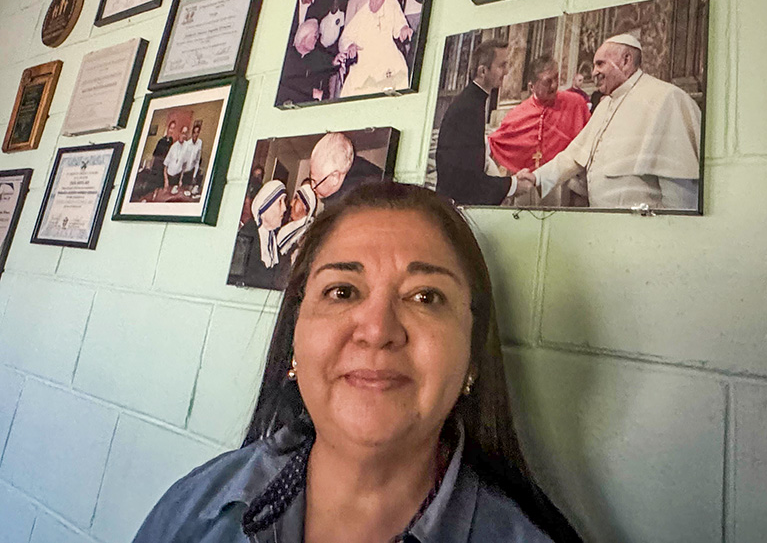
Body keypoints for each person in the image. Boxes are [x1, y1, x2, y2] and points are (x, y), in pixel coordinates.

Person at [133, 182, 582, 543]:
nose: (377, 329)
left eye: (425, 297)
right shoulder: (196, 508)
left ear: (472, 358)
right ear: (294, 341)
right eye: (342, 291)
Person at [519, 33, 701, 210]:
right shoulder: (606, 104)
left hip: (644, 230)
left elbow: (681, 192)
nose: (594, 72)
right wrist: (537, 178)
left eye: (600, 64)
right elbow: (573, 156)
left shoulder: (666, 98)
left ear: (626, 60)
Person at [435, 40, 531, 205]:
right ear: (483, 71)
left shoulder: (472, 102)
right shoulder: (468, 109)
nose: (507, 71)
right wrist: (513, 185)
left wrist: (511, 180)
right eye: (501, 66)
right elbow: (465, 183)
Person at [487, 55, 590, 173]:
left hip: (566, 182)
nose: (554, 85)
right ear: (532, 86)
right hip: (529, 182)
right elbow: (495, 144)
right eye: (548, 82)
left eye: (556, 78)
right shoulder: (516, 115)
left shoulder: (576, 104)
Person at [338, 0, 412, 98]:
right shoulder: (363, 13)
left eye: (377, 1)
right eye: (371, 0)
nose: (372, 5)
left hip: (387, 55)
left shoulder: (391, 3)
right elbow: (345, 37)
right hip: (366, 59)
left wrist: (404, 28)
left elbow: (400, 22)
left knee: (400, 74)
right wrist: (350, 45)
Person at [234, 180, 289, 289]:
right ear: (264, 208)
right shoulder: (246, 236)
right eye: (279, 202)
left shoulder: (273, 242)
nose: (284, 208)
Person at [309, 131, 385, 210]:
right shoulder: (357, 166)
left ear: (335, 177)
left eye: (315, 182)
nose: (312, 187)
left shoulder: (349, 203)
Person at [276, 181, 318, 261]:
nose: (291, 203)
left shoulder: (307, 236)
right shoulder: (288, 227)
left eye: (296, 199)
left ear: (306, 207)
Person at [162, 125, 190, 191]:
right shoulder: (173, 147)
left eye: (185, 134)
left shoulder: (187, 147)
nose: (183, 136)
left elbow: (184, 165)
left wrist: (180, 179)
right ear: (179, 133)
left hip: (177, 177)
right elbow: (165, 166)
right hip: (169, 177)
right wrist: (166, 180)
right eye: (182, 133)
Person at [182, 123, 203, 188]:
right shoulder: (187, 144)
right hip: (184, 172)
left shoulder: (200, 143)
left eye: (197, 132)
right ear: (192, 133)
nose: (196, 134)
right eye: (194, 132)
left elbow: (197, 160)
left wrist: (194, 176)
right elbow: (182, 160)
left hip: (191, 172)